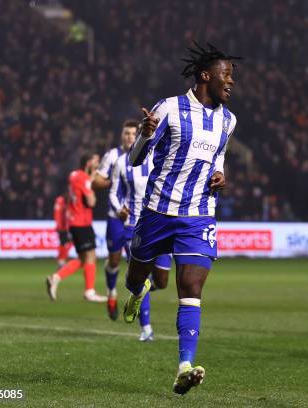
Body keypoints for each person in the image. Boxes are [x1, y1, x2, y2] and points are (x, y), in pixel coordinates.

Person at [122, 42, 240, 394]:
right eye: (227, 75)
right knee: (135, 278)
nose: (231, 82)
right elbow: (134, 159)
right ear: (206, 76)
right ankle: (137, 290)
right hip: (158, 211)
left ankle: (184, 365)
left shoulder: (228, 121)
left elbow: (218, 158)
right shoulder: (170, 109)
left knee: (191, 289)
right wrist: (144, 135)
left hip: (199, 216)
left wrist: (222, 175)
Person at [108, 147, 173, 340]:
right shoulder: (122, 161)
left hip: (162, 224)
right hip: (133, 226)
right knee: (141, 275)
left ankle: (141, 289)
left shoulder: (162, 155)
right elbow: (113, 192)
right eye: (127, 133)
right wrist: (119, 209)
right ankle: (146, 329)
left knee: (161, 281)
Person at [92, 120, 140, 318]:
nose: (129, 137)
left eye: (132, 134)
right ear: (121, 135)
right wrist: (117, 178)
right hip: (115, 216)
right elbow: (96, 180)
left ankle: (135, 300)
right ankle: (111, 292)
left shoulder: (144, 156)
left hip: (136, 217)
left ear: (138, 136)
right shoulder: (113, 156)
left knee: (136, 262)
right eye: (126, 133)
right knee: (114, 261)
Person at [46, 153, 107, 302]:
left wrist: (91, 179)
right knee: (90, 256)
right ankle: (89, 291)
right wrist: (92, 187)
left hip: (74, 221)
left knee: (83, 258)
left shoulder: (75, 175)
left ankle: (56, 278)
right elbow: (91, 201)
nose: (98, 164)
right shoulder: (83, 178)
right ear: (88, 163)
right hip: (82, 222)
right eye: (96, 161)